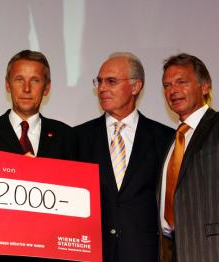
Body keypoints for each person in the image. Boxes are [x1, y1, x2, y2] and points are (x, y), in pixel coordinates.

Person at [0, 50, 73, 261]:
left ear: (47, 87)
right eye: (19, 79)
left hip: (51, 254)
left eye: (35, 80)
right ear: (7, 85)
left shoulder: (66, 135)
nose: (26, 88)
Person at [74, 52, 174, 262]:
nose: (101, 88)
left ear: (136, 87)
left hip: (144, 253)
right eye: (99, 81)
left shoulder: (165, 138)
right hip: (92, 253)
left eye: (111, 81)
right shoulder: (77, 137)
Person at [158, 53, 219, 262]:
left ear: (205, 87)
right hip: (172, 251)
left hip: (209, 249)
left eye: (181, 82)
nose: (172, 90)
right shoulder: (171, 141)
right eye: (167, 85)